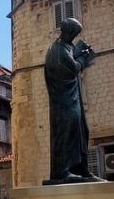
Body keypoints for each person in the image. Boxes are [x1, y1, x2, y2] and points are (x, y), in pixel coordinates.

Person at [43, 17, 103, 184]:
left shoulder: (67, 47)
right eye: (75, 33)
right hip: (63, 103)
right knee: (66, 133)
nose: (75, 37)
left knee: (82, 132)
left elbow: (72, 60)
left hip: (72, 99)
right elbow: (73, 68)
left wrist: (80, 52)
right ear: (68, 32)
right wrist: (86, 57)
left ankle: (81, 169)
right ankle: (62, 172)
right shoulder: (57, 51)